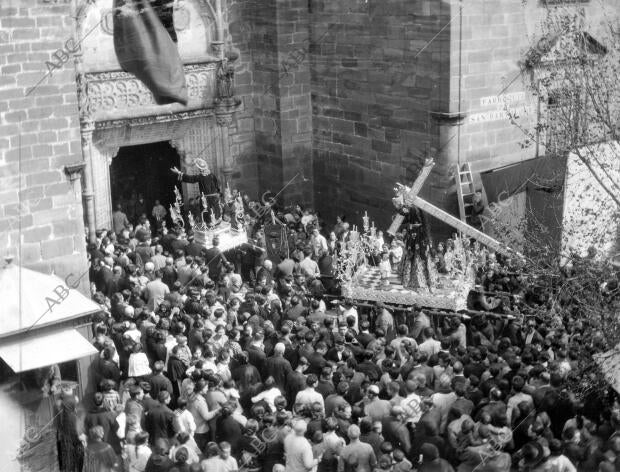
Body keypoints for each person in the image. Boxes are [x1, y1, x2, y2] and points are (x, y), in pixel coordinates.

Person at [171, 159, 221, 224]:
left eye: (199, 169)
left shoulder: (200, 177)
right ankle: (215, 222)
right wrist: (218, 194)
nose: (199, 170)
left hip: (205, 200)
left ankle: (209, 224)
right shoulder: (212, 175)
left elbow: (190, 178)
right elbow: (217, 186)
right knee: (215, 214)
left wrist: (179, 172)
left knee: (208, 216)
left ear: (201, 169)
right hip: (215, 199)